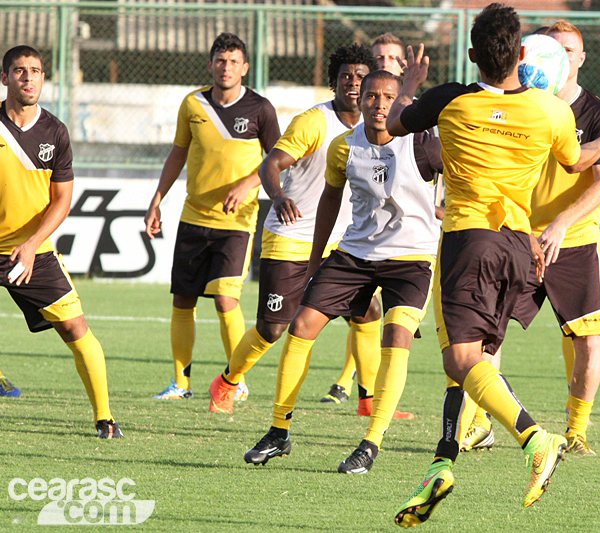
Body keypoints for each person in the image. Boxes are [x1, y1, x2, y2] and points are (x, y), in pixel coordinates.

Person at [387, 4, 600, 527]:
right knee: (469, 358)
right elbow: (578, 161)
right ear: (522, 55)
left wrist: (410, 85)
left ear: (472, 54)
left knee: (463, 358)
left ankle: (535, 439)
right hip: (517, 246)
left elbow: (394, 123)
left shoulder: (451, 99)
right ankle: (442, 463)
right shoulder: (549, 111)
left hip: (469, 240)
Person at [240, 69, 442, 472]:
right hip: (355, 254)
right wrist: (316, 262)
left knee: (396, 336)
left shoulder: (422, 143)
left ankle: (371, 443)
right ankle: (278, 431)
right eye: (372, 96)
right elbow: (330, 201)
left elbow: (464, 175)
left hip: (411, 259)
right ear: (360, 100)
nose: (379, 104)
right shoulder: (344, 146)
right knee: (301, 326)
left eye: (388, 97)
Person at [207, 44, 403, 419]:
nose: (352, 83)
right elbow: (270, 165)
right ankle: (228, 381)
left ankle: (369, 402)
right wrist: (279, 196)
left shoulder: (379, 129)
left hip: (341, 242)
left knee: (367, 313)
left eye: (360, 77)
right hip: (291, 238)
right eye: (345, 76)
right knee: (272, 329)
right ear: (334, 81)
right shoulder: (314, 122)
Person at [144, 33, 280, 401]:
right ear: (210, 64)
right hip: (194, 216)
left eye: (234, 61)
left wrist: (247, 184)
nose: (226, 67)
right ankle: (180, 384)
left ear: (245, 67)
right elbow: (178, 153)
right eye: (220, 60)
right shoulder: (193, 104)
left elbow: (278, 159)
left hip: (237, 223)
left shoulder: (261, 109)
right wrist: (157, 199)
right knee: (182, 300)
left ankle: (237, 381)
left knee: (225, 300)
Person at [1, 45, 122, 438]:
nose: (28, 78)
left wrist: (32, 244)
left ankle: (105, 418)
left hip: (31, 251)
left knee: (74, 328)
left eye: (35, 71)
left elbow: (62, 200)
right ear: (5, 78)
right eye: (19, 70)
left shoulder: (55, 132)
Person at [516, 19, 600, 456]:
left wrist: (560, 224)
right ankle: (477, 424)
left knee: (587, 341)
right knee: (484, 335)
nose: (559, 57)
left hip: (574, 240)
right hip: (517, 237)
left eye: (568, 51)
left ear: (580, 59)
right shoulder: (518, 105)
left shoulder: (596, 113)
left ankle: (577, 431)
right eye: (552, 49)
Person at [317, 32, 407, 405]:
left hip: (409, 247)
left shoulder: (417, 127)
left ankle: (354, 387)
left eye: (391, 58)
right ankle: (356, 390)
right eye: (378, 58)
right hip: (359, 242)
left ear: (404, 67)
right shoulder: (348, 137)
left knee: (384, 322)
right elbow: (331, 193)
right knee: (364, 313)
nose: (384, 63)